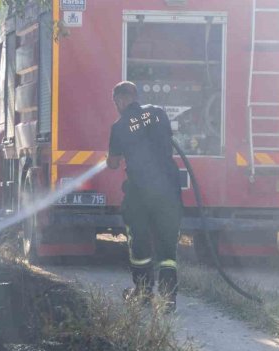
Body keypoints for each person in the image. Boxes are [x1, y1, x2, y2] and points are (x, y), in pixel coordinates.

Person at [106, 81, 183, 313]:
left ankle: (143, 294)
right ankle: (168, 299)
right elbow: (165, 142)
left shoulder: (118, 127)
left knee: (139, 245)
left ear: (120, 100)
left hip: (139, 194)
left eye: (116, 102)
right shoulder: (158, 113)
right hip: (168, 192)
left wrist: (109, 158)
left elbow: (113, 163)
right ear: (136, 96)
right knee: (168, 250)